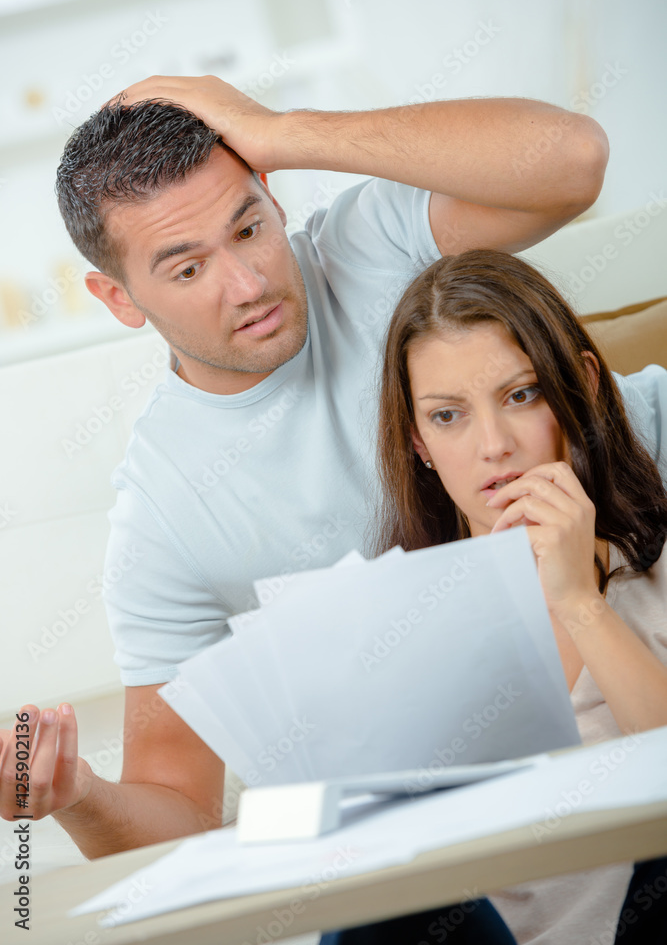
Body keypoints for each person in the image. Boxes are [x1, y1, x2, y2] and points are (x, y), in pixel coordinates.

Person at [0, 74, 660, 881]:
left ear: (271, 195)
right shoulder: (164, 515)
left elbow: (571, 159)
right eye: (188, 269)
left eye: (249, 228)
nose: (248, 285)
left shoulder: (364, 243)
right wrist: (77, 795)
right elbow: (180, 818)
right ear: (117, 298)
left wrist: (280, 131)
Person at [372, 247, 667, 945]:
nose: (494, 446)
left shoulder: (655, 569)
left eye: (520, 395)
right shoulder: (394, 625)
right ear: (418, 440)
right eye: (448, 416)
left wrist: (580, 604)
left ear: (582, 386)